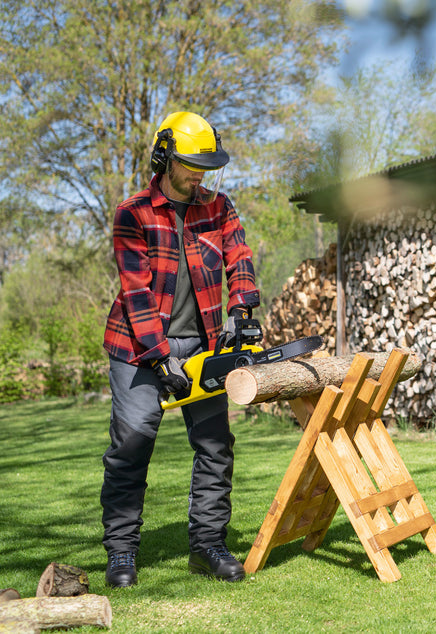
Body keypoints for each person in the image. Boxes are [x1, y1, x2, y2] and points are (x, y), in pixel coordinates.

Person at [100, 111, 260, 588]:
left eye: (205, 166)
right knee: (132, 446)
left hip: (203, 344)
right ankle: (122, 553)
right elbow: (136, 292)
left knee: (215, 446)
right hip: (138, 346)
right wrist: (160, 354)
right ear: (164, 156)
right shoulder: (133, 213)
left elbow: (240, 257)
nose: (199, 175)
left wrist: (242, 308)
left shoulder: (219, 207)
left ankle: (208, 544)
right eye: (191, 165)